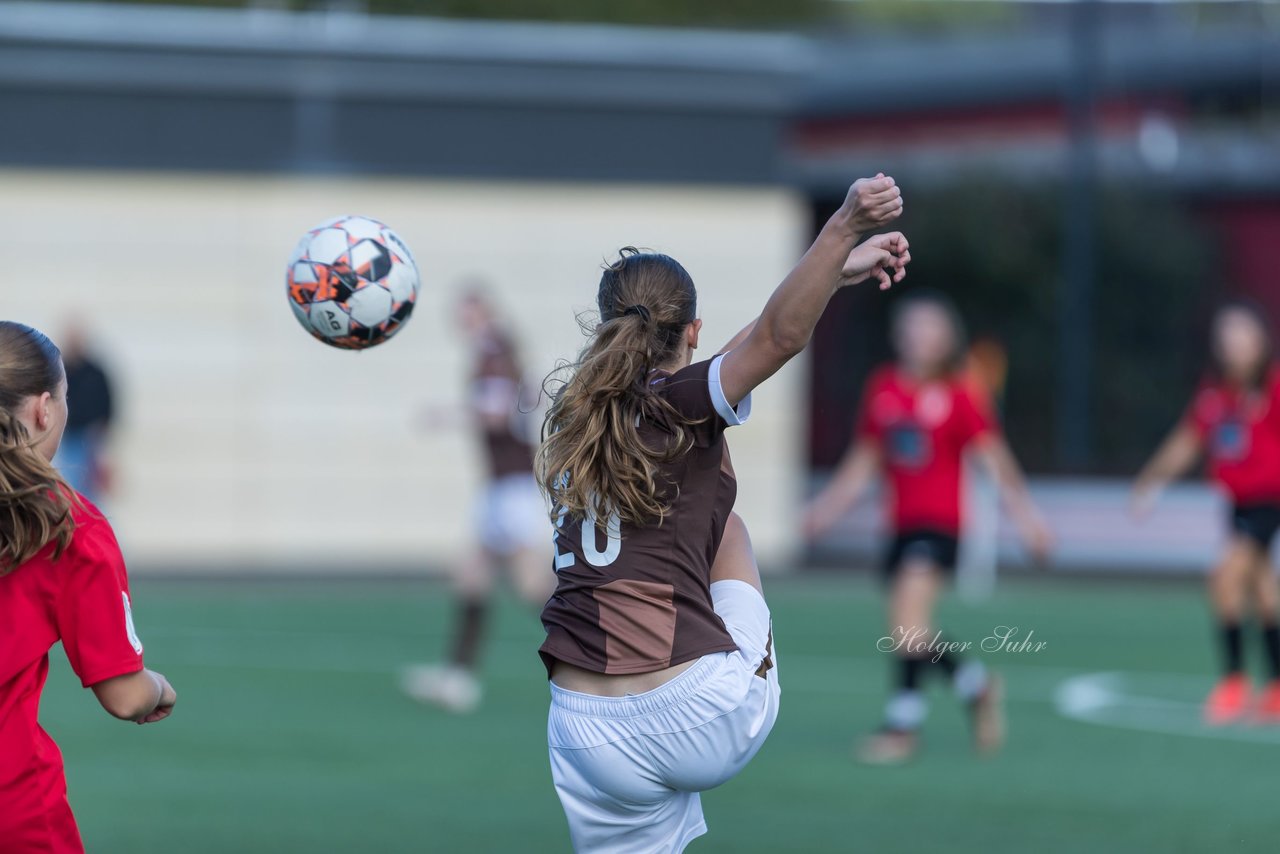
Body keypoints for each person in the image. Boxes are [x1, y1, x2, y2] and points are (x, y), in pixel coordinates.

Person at [537, 174, 909, 852]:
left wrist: (832, 279)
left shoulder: (576, 415)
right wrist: (841, 229)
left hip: (582, 730)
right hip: (696, 714)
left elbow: (741, 352)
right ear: (692, 329)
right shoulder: (680, 404)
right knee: (725, 519)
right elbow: (775, 338)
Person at [802, 290, 1052, 765]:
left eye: (930, 328)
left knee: (910, 621)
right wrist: (824, 511)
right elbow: (863, 462)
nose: (920, 336)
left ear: (946, 338)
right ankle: (976, 685)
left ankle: (902, 727)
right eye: (913, 327)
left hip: (941, 527)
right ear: (900, 335)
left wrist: (1029, 520)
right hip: (898, 526)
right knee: (907, 631)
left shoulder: (961, 392)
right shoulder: (884, 389)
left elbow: (994, 460)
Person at [0, 321, 177, 853]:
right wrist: (161, 688)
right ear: (44, 409)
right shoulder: (69, 528)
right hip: (13, 807)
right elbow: (124, 696)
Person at [402, 288, 553, 713]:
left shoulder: (493, 352)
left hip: (513, 487)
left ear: (484, 313)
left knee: (533, 586)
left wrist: (446, 415)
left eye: (467, 312)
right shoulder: (500, 351)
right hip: (500, 487)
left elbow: (497, 413)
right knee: (471, 575)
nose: (461, 321)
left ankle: (603, 652)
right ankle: (458, 676)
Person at [1132, 300, 1280, 724]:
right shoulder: (1216, 394)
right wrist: (1150, 481)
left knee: (1224, 575)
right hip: (1236, 504)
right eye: (1226, 336)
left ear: (1260, 339)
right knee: (1263, 591)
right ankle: (1275, 686)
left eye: (1242, 334)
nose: (1234, 344)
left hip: (1270, 504)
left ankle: (1233, 681)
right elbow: (1187, 441)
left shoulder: (1273, 387)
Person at [53, 321, 115, 506]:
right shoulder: (60, 370)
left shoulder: (94, 372)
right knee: (68, 485)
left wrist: (101, 432)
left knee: (89, 492)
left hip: (89, 437)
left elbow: (107, 404)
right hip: (65, 436)